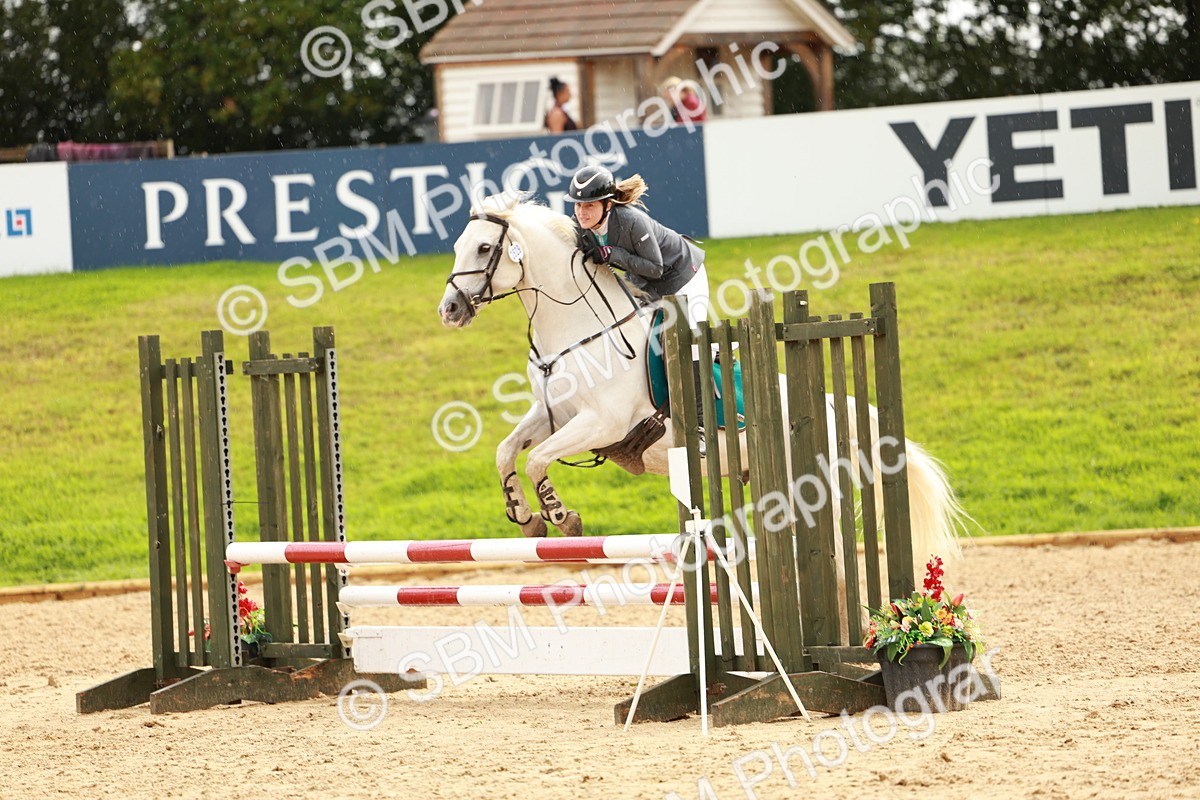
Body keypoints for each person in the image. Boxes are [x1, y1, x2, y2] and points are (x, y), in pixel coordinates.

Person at [566, 165, 710, 329]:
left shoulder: (632, 221)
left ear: (608, 205)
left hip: (682, 273)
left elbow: (656, 269)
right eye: (578, 205)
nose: (581, 213)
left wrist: (612, 253)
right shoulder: (579, 225)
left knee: (689, 344)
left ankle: (715, 354)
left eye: (589, 205)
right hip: (645, 283)